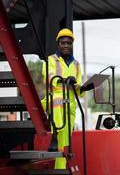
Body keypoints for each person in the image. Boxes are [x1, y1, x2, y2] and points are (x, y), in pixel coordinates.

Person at [41, 28, 83, 169]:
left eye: (68, 43)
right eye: (63, 42)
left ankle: (61, 168)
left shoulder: (76, 65)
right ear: (58, 44)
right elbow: (49, 77)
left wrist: (83, 87)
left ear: (71, 45)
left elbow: (78, 85)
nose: (66, 45)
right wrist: (65, 80)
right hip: (55, 100)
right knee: (59, 102)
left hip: (70, 104)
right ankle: (54, 135)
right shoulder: (51, 60)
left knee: (65, 141)